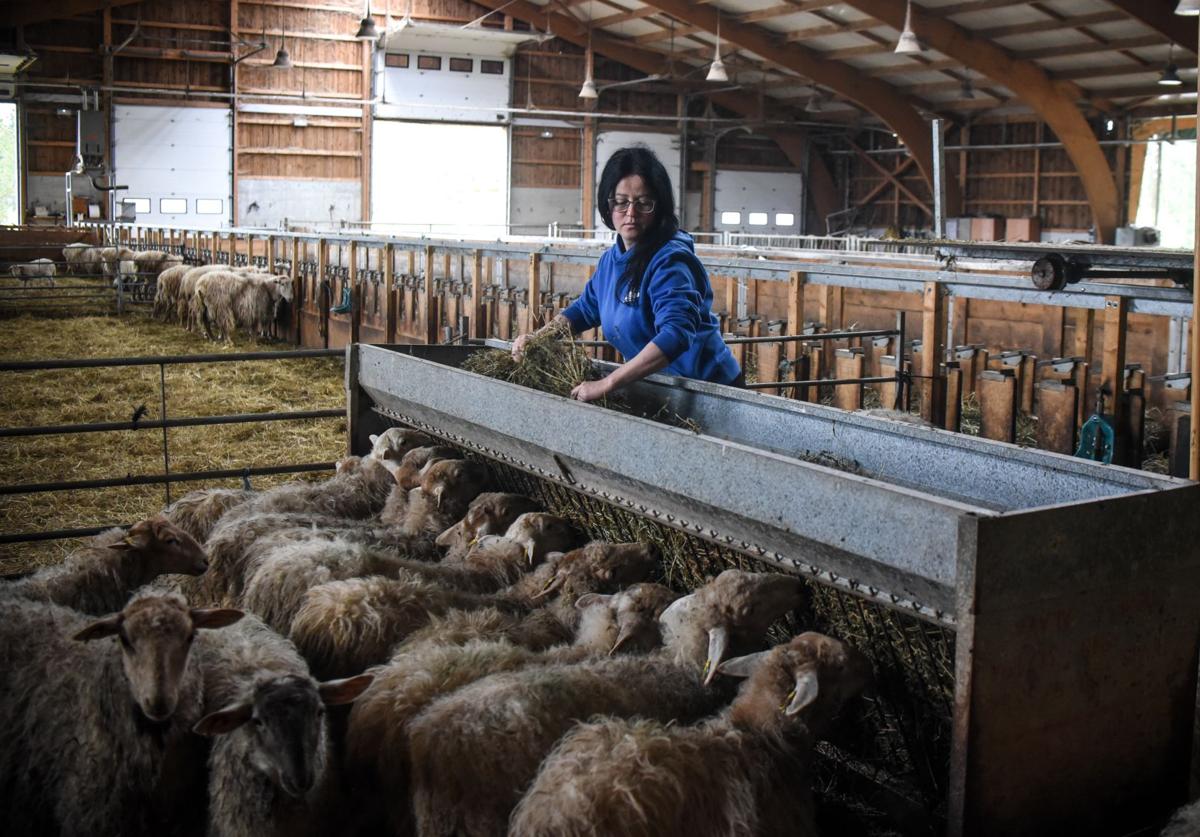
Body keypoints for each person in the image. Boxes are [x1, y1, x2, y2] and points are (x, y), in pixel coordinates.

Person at [511, 145, 742, 402]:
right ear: (608, 205)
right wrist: (538, 338)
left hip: (709, 393)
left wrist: (606, 384)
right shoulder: (612, 260)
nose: (630, 214)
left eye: (643, 203)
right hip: (664, 389)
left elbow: (676, 334)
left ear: (659, 207)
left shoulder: (671, 261)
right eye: (621, 202)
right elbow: (586, 309)